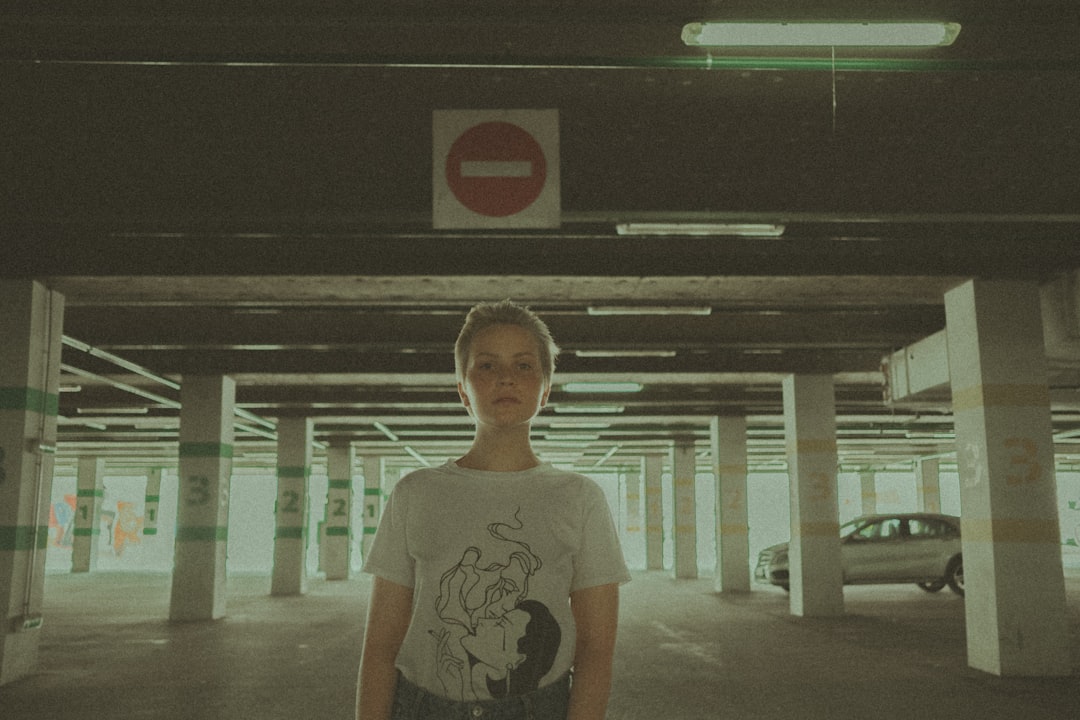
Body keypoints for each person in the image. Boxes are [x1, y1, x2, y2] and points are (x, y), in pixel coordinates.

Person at [356, 299, 631, 720]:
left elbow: (595, 652)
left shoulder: (580, 498)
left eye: (524, 366)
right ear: (462, 389)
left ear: (545, 389)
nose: (506, 377)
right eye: (486, 366)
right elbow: (380, 647)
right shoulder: (415, 493)